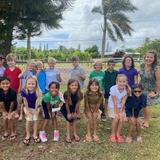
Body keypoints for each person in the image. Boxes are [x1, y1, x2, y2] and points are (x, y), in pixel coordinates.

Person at [139, 50, 160, 128]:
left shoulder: (156, 68)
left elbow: (158, 81)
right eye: (147, 57)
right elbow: (141, 76)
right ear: (145, 57)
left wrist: (156, 92)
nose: (148, 59)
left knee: (146, 105)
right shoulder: (142, 65)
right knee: (143, 105)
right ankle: (144, 119)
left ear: (154, 59)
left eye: (151, 57)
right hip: (141, 89)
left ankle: (147, 121)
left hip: (150, 90)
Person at [108, 74, 130, 143]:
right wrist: (117, 113)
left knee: (121, 118)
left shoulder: (127, 90)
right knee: (116, 118)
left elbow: (123, 102)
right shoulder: (113, 88)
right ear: (116, 82)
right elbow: (114, 103)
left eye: (124, 81)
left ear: (126, 82)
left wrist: (120, 112)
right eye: (120, 81)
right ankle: (112, 134)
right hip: (112, 106)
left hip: (120, 106)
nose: (122, 83)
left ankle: (118, 133)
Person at [21, 76, 42, 145]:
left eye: (33, 84)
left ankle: (35, 134)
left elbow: (38, 103)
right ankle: (28, 135)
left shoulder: (38, 91)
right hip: (27, 107)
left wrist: (37, 110)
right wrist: (26, 110)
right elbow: (25, 102)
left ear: (36, 84)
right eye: (29, 84)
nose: (31, 85)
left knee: (35, 120)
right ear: (26, 84)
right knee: (28, 120)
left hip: (36, 107)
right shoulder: (24, 91)